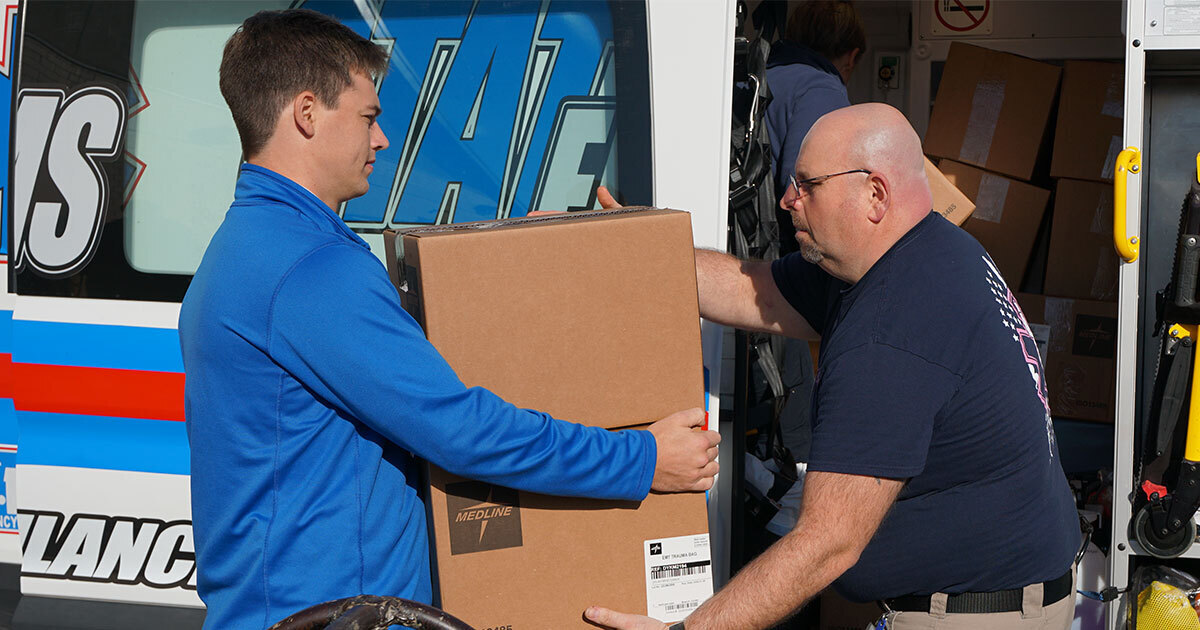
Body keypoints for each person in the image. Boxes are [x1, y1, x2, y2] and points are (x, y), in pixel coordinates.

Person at [178, 9, 719, 630]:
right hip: (335, 619)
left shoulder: (250, 246)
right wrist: (642, 459)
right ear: (306, 113)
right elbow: (460, 429)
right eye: (369, 116)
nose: (381, 140)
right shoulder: (311, 268)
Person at [586, 103, 1079, 630]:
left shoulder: (890, 331)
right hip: (999, 590)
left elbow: (827, 545)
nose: (786, 199)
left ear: (875, 194)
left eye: (807, 185)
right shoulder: (924, 249)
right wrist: (632, 248)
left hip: (972, 613)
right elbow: (758, 290)